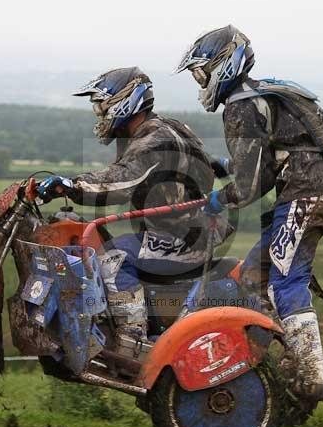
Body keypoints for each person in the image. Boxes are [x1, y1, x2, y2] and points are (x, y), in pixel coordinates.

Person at [175, 25, 323, 404]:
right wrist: (226, 166)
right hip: (317, 191)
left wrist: (219, 201)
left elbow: (254, 183)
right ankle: (283, 360)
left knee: (287, 281)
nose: (200, 82)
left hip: (304, 196)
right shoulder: (264, 92)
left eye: (201, 73)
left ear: (223, 65)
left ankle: (311, 375)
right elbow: (271, 160)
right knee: (255, 274)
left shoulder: (240, 105)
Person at [37, 67, 228, 343]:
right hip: (186, 231)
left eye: (103, 105)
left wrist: (72, 186)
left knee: (112, 258)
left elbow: (123, 180)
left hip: (186, 237)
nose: (100, 113)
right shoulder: (160, 129)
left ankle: (132, 338)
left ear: (127, 101)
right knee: (101, 242)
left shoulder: (154, 139)